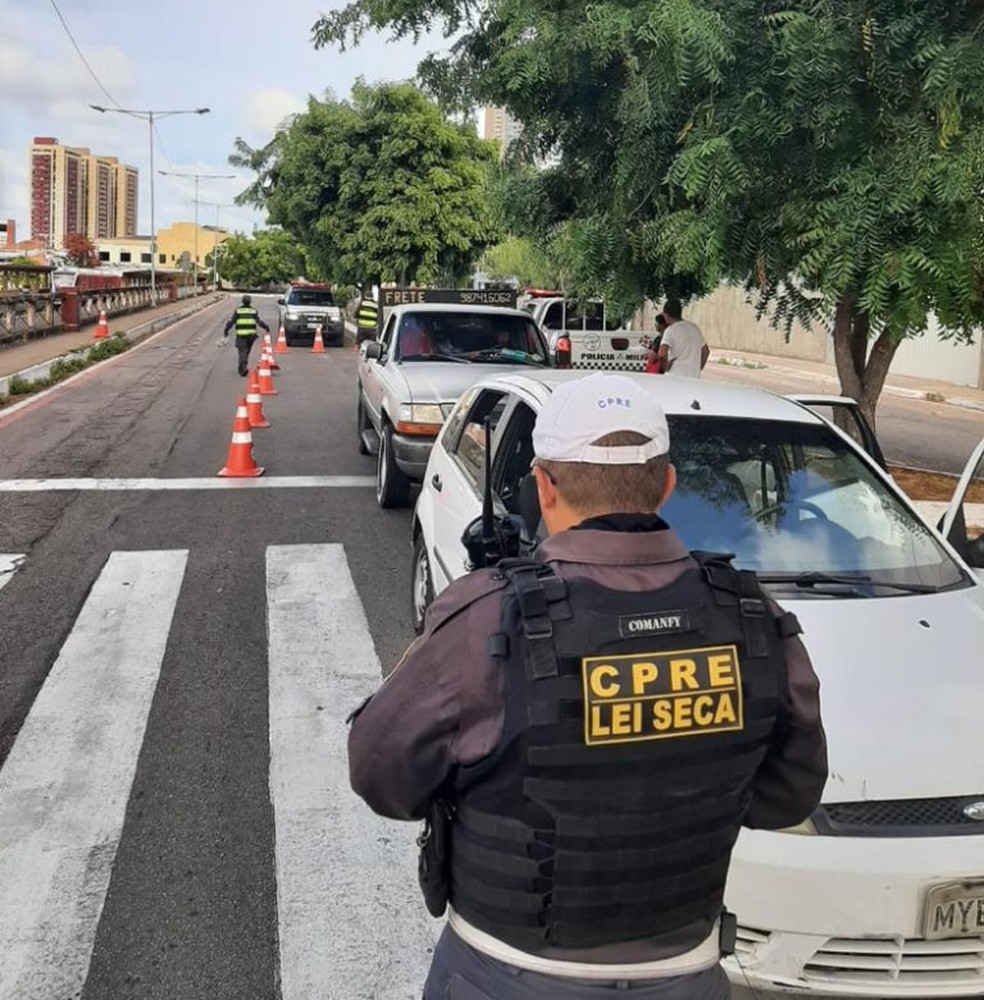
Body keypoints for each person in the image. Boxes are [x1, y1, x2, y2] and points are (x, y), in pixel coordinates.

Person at [348, 371, 828, 1000]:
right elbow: (790, 794)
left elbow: (379, 771)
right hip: (685, 975)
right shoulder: (752, 618)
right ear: (668, 485)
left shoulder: (488, 618)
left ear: (542, 488)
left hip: (504, 976)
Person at [656, 298, 709, 378]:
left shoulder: (670, 330)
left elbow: (662, 353)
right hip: (693, 377)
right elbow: (706, 351)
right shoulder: (694, 328)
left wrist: (666, 367)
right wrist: (699, 368)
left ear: (665, 315)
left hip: (675, 377)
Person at [222, 294, 270, 376]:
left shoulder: (238, 310)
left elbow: (231, 322)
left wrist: (226, 330)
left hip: (241, 335)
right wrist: (266, 327)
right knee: (246, 351)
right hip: (251, 336)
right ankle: (242, 367)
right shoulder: (253, 310)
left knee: (242, 351)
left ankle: (243, 368)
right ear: (250, 302)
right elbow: (259, 321)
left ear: (242, 301)